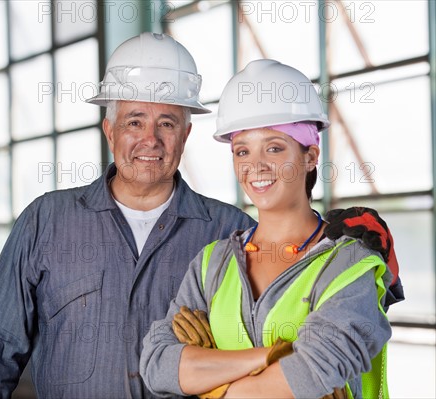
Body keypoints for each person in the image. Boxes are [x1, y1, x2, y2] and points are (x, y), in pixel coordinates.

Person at [0, 32, 399, 398]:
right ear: (109, 129)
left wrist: (213, 371)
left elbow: (300, 346)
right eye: (134, 121)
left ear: (186, 134)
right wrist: (257, 362)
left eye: (167, 123)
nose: (150, 139)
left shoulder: (229, 232)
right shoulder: (47, 221)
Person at [140, 59, 399, 398]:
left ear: (310, 156)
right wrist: (270, 357)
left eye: (274, 148)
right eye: (242, 151)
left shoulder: (349, 263)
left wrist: (210, 381)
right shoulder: (211, 264)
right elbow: (157, 365)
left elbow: (311, 372)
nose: (256, 166)